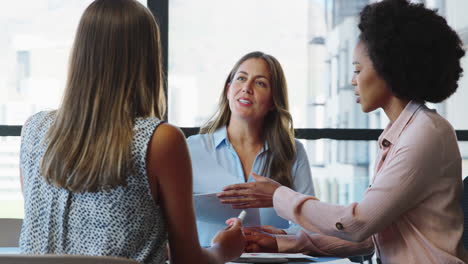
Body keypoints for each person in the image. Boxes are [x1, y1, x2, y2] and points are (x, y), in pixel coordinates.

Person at [225, 0, 468, 263]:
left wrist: (277, 195)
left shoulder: (425, 134)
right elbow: (371, 236)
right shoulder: (403, 132)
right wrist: (284, 242)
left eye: (357, 69)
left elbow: (357, 224)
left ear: (389, 69)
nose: (352, 80)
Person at [18, 0, 245, 263]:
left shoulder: (33, 130)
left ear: (80, 52)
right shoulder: (160, 140)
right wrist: (224, 249)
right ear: (147, 57)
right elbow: (189, 261)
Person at [186, 51, 315, 247]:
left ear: (273, 101)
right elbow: (168, 217)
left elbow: (310, 223)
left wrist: (278, 237)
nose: (246, 88)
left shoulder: (293, 152)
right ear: (228, 90)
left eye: (260, 83)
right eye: (241, 79)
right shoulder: (191, 148)